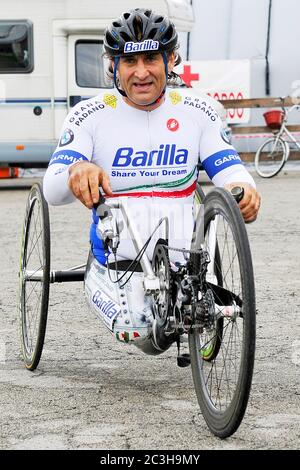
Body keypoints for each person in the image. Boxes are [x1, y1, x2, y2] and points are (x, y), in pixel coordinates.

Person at [43, 7, 261, 266]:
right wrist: (75, 170)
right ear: (113, 65)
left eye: (151, 58)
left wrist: (244, 189)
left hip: (185, 269)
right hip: (117, 265)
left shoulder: (199, 110)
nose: (142, 72)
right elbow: (52, 192)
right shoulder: (88, 114)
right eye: (130, 61)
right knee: (138, 309)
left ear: (170, 60)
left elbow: (230, 170)